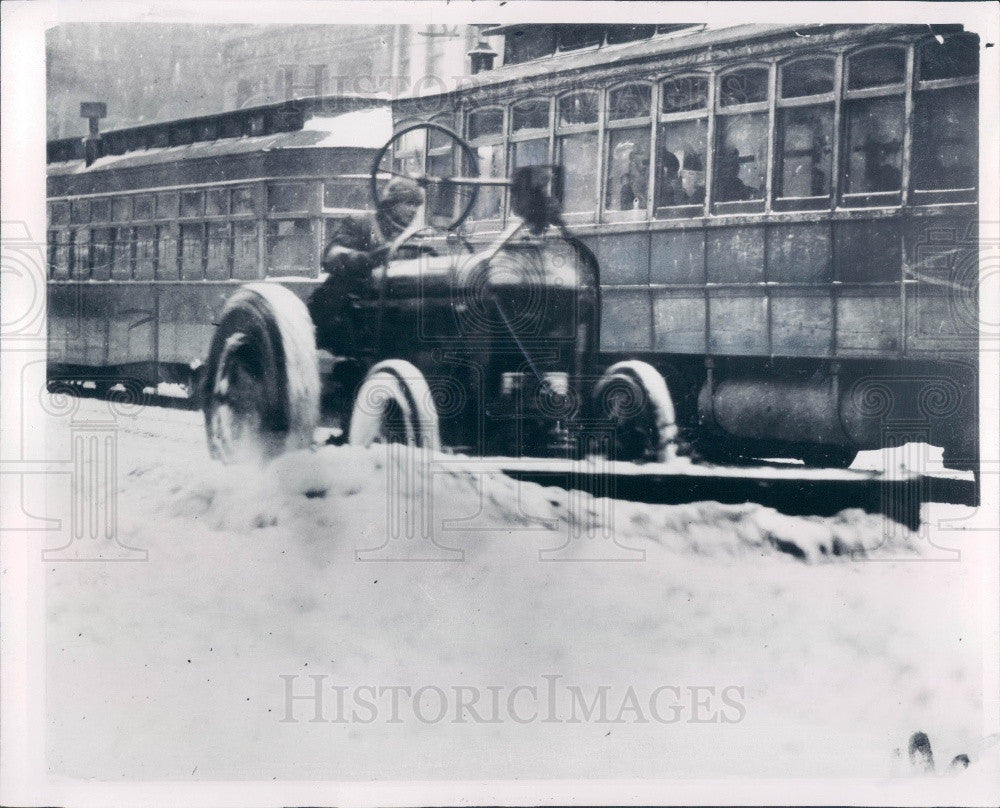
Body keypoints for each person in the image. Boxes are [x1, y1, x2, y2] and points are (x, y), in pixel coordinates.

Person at [307, 177, 424, 354]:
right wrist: (364, 259)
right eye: (409, 203)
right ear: (392, 203)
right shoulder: (362, 223)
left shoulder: (414, 238)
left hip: (391, 312)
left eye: (417, 205)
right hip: (351, 310)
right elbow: (332, 256)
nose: (414, 210)